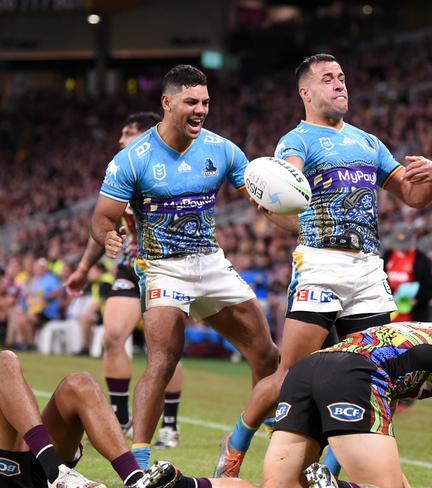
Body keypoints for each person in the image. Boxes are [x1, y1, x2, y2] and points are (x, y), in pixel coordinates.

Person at [217, 52, 432, 478]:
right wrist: (270, 198)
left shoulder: (369, 142)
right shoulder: (297, 141)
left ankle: (330, 472)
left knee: (375, 375)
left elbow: (412, 197)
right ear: (306, 92)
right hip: (321, 264)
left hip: (369, 268)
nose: (340, 84)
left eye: (341, 77)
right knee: (291, 373)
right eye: (327, 78)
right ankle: (236, 444)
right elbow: (287, 188)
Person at [90, 64, 279, 469]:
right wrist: (107, 235)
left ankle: (240, 442)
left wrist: (294, 218)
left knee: (267, 356)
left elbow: (261, 198)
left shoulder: (223, 149)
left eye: (206, 102)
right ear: (167, 103)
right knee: (163, 359)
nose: (200, 110)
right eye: (191, 102)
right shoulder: (133, 158)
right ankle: (138, 463)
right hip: (162, 268)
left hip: (210, 263)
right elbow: (101, 216)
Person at [148, 309, 432, 488]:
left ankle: (180, 484)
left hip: (309, 368)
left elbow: (363, 429)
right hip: (355, 374)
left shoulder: (414, 333)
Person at [64, 112, 186, 449]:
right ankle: (120, 418)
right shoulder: (123, 173)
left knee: (163, 350)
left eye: (128, 133)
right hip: (132, 268)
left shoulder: (171, 169)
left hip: (168, 269)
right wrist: (84, 267)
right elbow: (102, 225)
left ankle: (170, 427)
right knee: (114, 335)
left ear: (148, 135)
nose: (121, 140)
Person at [0, 350, 145, 487]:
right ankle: (55, 469)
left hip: (37, 465)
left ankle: (135, 479)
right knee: (4, 361)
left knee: (80, 383)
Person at [383, 232, 432, 322]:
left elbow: (430, 288)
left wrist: (416, 300)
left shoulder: (421, 259)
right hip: (390, 315)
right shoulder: (387, 256)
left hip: (413, 315)